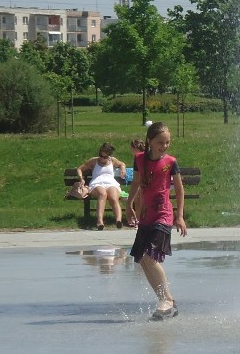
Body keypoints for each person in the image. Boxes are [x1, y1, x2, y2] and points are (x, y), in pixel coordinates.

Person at [127, 121, 188, 321]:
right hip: (145, 215)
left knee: (149, 255)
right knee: (143, 260)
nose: (164, 145)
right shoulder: (139, 160)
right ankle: (167, 299)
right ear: (150, 141)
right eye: (160, 142)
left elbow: (179, 190)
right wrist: (129, 207)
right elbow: (136, 184)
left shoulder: (171, 162)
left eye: (167, 142)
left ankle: (166, 301)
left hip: (163, 213)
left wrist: (179, 216)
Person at [75, 142, 127, 230]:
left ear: (109, 156)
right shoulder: (94, 161)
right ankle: (100, 221)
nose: (102, 158)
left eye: (105, 157)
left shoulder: (112, 160)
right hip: (97, 183)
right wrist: (81, 178)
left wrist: (123, 169)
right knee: (102, 194)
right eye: (101, 155)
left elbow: (122, 164)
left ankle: (118, 220)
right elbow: (80, 169)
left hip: (111, 182)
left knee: (114, 197)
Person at [126, 138, 146, 227]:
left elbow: (137, 179)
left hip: (143, 182)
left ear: (134, 148)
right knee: (138, 197)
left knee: (139, 198)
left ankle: (138, 220)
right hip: (141, 182)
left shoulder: (139, 157)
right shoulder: (140, 157)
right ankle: (138, 219)